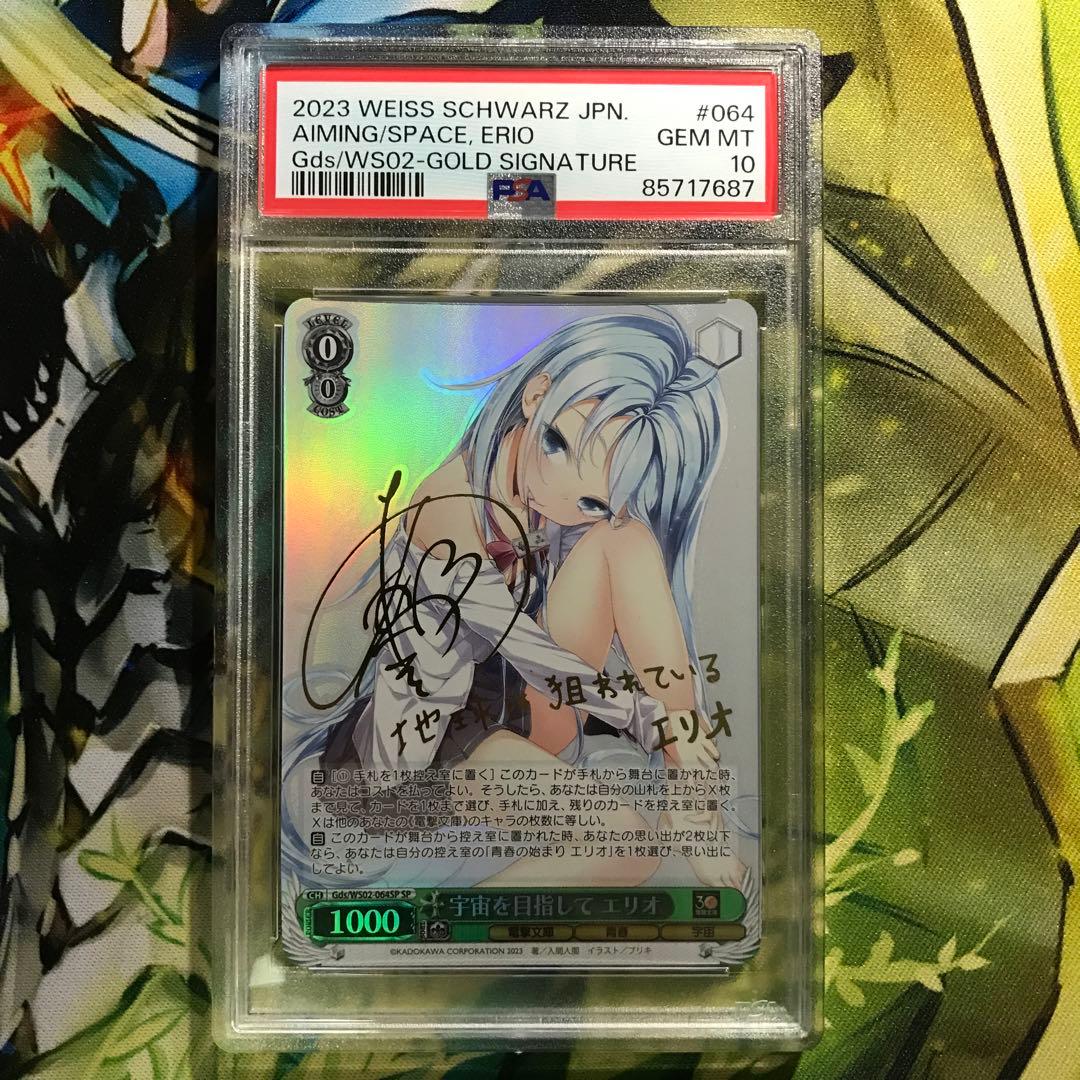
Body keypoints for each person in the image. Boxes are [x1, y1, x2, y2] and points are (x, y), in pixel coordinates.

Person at [312, 309, 743, 888]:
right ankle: (439, 927)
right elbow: (531, 653)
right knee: (628, 846)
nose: (561, 496)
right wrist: (653, 721)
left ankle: (693, 808)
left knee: (626, 538)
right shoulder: (447, 506)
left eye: (591, 500)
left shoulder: (541, 498)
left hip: (509, 705)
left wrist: (672, 726)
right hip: (423, 759)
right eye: (558, 444)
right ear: (537, 394)